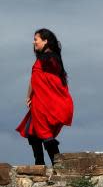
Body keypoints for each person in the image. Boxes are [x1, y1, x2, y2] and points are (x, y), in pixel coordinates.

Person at [17, 29, 73, 166]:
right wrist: (29, 96)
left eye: (36, 39)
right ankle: (40, 164)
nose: (33, 42)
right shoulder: (47, 59)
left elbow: (48, 80)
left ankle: (58, 166)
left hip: (44, 102)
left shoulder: (49, 58)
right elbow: (35, 79)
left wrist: (31, 96)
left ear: (45, 41)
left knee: (44, 133)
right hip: (39, 100)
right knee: (32, 131)